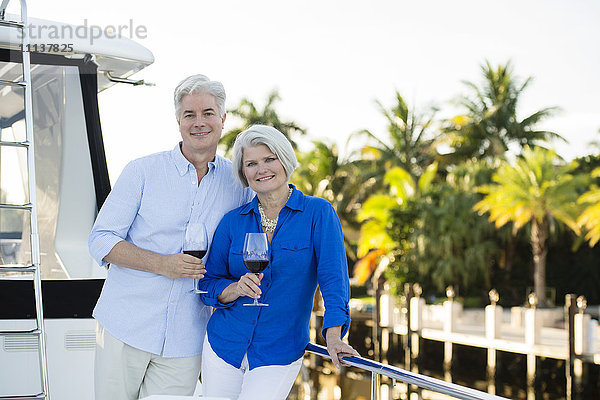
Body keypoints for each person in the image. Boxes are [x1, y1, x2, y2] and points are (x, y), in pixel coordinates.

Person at [88, 74, 253, 400]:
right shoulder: (142, 171)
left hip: (187, 337)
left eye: (208, 113)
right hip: (125, 326)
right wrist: (161, 264)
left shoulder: (239, 186)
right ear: (178, 120)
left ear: (222, 119)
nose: (199, 122)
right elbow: (101, 238)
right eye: (189, 114)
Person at [199, 124, 359, 400]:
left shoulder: (318, 213)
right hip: (223, 345)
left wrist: (333, 337)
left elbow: (334, 282)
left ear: (284, 160)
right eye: (251, 163)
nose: (262, 169)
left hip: (279, 350)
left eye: (269, 159)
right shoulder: (232, 222)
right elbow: (208, 283)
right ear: (243, 172)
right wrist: (236, 288)